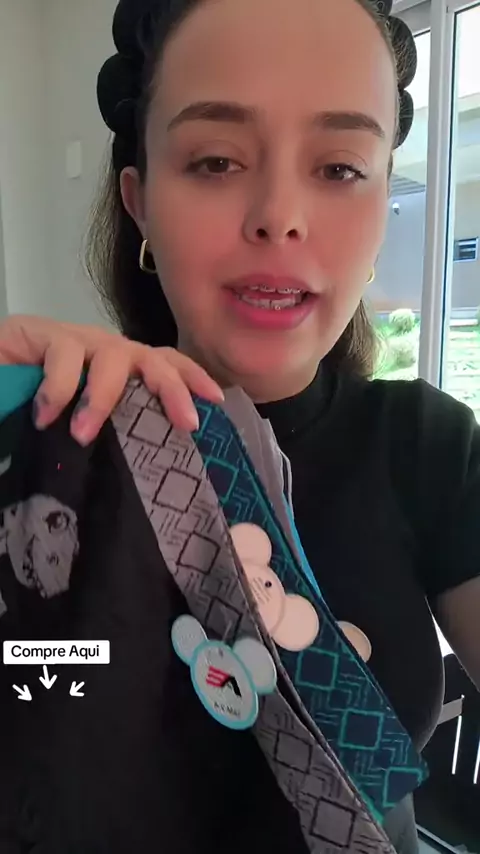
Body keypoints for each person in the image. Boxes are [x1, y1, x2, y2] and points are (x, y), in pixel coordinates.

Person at [0, 0, 479, 850]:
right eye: (216, 160)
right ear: (140, 203)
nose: (279, 216)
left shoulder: (430, 449)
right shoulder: (53, 448)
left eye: (340, 168)